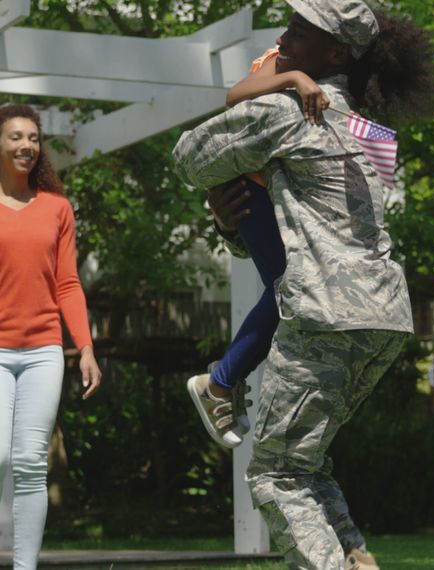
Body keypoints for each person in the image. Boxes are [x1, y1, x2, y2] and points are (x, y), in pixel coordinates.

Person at [173, 1, 434, 568]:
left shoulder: (284, 110)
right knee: (305, 463)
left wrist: (221, 199)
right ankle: (357, 559)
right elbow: (312, 229)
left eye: (300, 31)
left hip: (324, 315)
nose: (283, 37)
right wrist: (232, 223)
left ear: (336, 53)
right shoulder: (370, 133)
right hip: (385, 318)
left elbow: (189, 157)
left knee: (274, 476)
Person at [0, 104, 102, 570]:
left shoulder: (56, 208)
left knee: (33, 465)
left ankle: (24, 566)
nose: (26, 146)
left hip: (43, 352)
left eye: (33, 138)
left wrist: (86, 347)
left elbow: (68, 283)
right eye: (16, 137)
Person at [186, 41, 331, 449]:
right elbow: (235, 96)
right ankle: (218, 384)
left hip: (280, 195)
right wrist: (295, 78)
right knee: (290, 287)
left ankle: (224, 382)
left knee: (298, 292)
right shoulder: (287, 55)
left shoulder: (341, 67)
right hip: (249, 189)